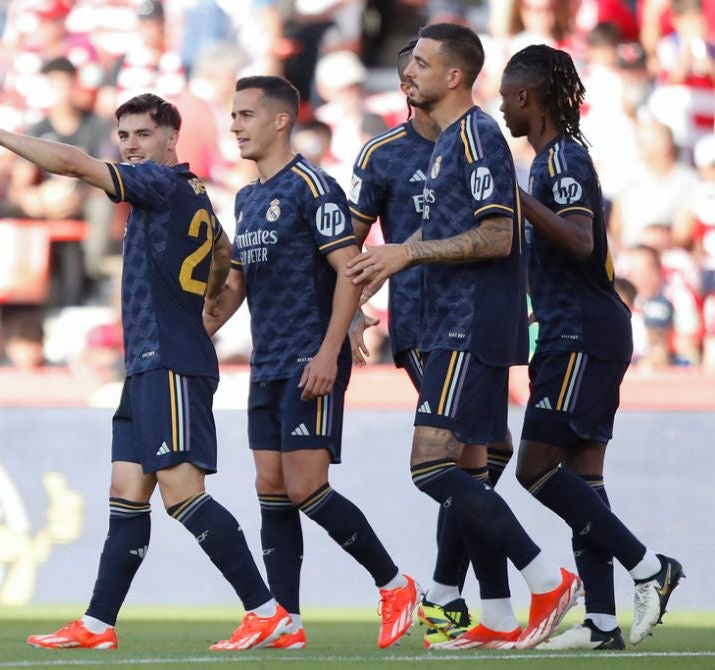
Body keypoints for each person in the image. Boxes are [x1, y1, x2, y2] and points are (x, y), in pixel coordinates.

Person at [0, 93, 291, 651]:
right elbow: (227, 255)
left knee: (182, 494)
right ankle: (99, 622)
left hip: (170, 364)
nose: (131, 147)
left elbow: (76, 164)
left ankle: (267, 610)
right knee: (126, 491)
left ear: (170, 140)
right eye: (124, 137)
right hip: (151, 363)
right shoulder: (194, 194)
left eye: (142, 135)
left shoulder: (158, 184)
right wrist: (207, 313)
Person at [347, 23, 579, 650]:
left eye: (420, 62)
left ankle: (546, 578)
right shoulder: (450, 141)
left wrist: (407, 253)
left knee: (431, 466)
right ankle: (498, 617)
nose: (407, 71)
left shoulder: (478, 134)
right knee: (472, 467)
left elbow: (498, 237)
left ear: (453, 76)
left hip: (465, 319)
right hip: (447, 319)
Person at [203, 75, 419, 651]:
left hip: (308, 356)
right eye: (232, 115)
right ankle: (285, 619)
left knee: (305, 486)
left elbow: (352, 269)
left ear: (279, 120)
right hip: (267, 359)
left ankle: (395, 584)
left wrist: (330, 348)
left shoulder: (312, 188)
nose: (234, 125)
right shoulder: (247, 197)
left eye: (245, 114)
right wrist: (201, 330)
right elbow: (239, 283)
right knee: (270, 486)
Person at [500, 43, 684, 650]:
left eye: (507, 97)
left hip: (579, 331)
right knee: (584, 476)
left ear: (528, 97)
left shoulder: (561, 162)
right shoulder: (550, 160)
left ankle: (649, 568)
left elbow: (580, 240)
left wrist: (515, 200)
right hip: (581, 327)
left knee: (535, 468)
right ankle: (603, 623)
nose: (502, 108)